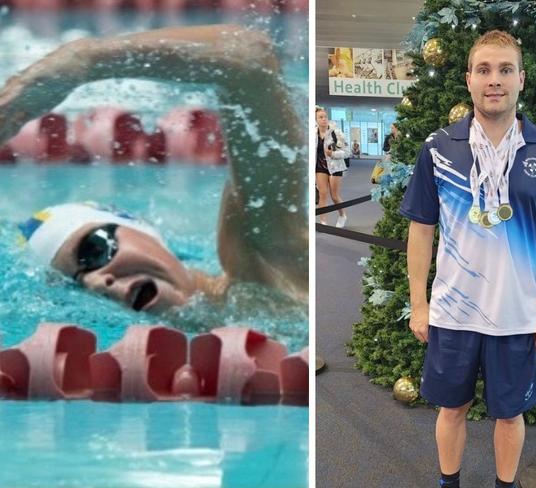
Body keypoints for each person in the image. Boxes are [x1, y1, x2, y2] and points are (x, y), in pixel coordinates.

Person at [0, 24, 308, 314]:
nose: (96, 283)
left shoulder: (263, 257)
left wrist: (83, 60)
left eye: (95, 250)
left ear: (140, 227)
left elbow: (249, 61)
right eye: (74, 288)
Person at [399, 30, 536, 488]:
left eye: (505, 69)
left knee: (510, 415)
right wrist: (420, 304)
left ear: (521, 79)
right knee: (452, 407)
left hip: (516, 316)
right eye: (484, 69)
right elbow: (421, 230)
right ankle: (449, 483)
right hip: (453, 313)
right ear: (468, 80)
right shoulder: (439, 148)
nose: (494, 80)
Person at [315, 106, 349, 228]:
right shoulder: (312, 134)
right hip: (320, 167)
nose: (324, 119)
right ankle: (323, 222)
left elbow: (347, 152)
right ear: (315, 120)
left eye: (325, 117)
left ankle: (342, 215)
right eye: (320, 117)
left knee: (334, 196)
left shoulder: (336, 133)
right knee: (322, 194)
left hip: (335, 167)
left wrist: (333, 154)